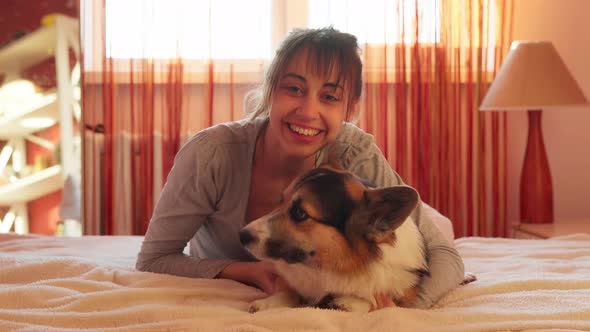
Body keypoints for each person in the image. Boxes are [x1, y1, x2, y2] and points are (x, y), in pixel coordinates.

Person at [136, 27, 465, 310]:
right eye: (293, 89)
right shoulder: (211, 154)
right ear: (270, 91)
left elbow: (444, 255)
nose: (308, 111)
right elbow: (154, 259)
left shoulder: (355, 154)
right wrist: (243, 270)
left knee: (434, 227)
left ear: (350, 108)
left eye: (330, 97)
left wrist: (406, 309)